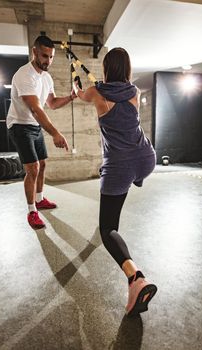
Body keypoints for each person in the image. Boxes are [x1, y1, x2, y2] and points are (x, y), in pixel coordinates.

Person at [73, 47, 157, 317]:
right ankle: (138, 179)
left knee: (107, 228)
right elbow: (117, 91)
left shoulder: (96, 93)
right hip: (146, 158)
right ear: (128, 69)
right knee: (134, 175)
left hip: (120, 166)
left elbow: (80, 94)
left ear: (107, 68)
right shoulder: (135, 91)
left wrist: (77, 85)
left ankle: (136, 278)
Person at [7, 35, 76, 229]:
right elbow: (36, 110)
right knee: (33, 168)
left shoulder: (46, 77)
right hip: (20, 125)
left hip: (35, 125)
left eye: (51, 57)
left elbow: (51, 103)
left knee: (42, 164)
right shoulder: (23, 76)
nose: (48, 61)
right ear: (34, 52)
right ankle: (31, 211)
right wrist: (55, 132)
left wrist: (71, 97)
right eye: (45, 56)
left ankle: (39, 199)